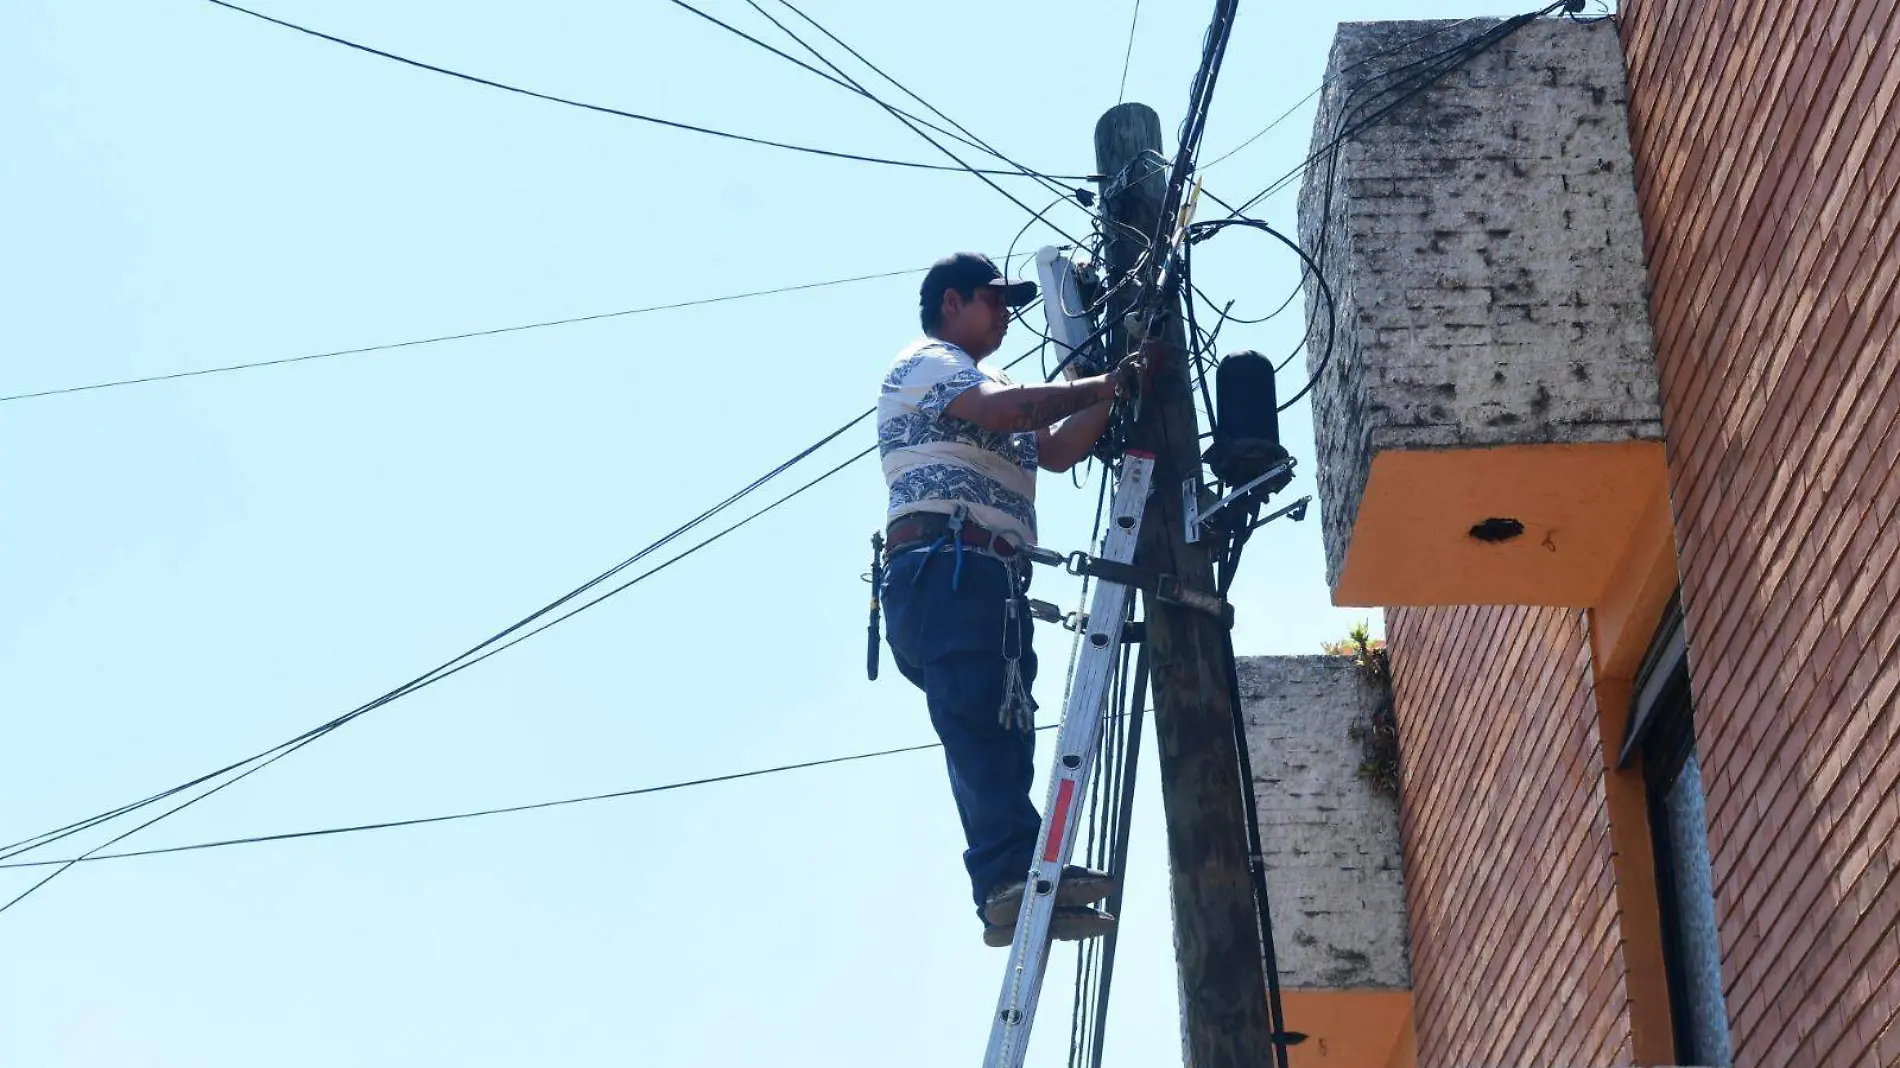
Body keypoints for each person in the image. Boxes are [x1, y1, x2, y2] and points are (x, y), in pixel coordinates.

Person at [876, 251, 1139, 948]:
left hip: (984, 578)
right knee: (978, 721)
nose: (1006, 314)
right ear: (951, 303)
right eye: (995, 300)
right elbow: (1009, 410)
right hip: (946, 568)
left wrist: (1109, 391)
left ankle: (1015, 886)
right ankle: (1006, 875)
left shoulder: (986, 379)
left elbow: (1054, 449)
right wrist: (1106, 379)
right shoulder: (926, 362)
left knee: (1003, 725)